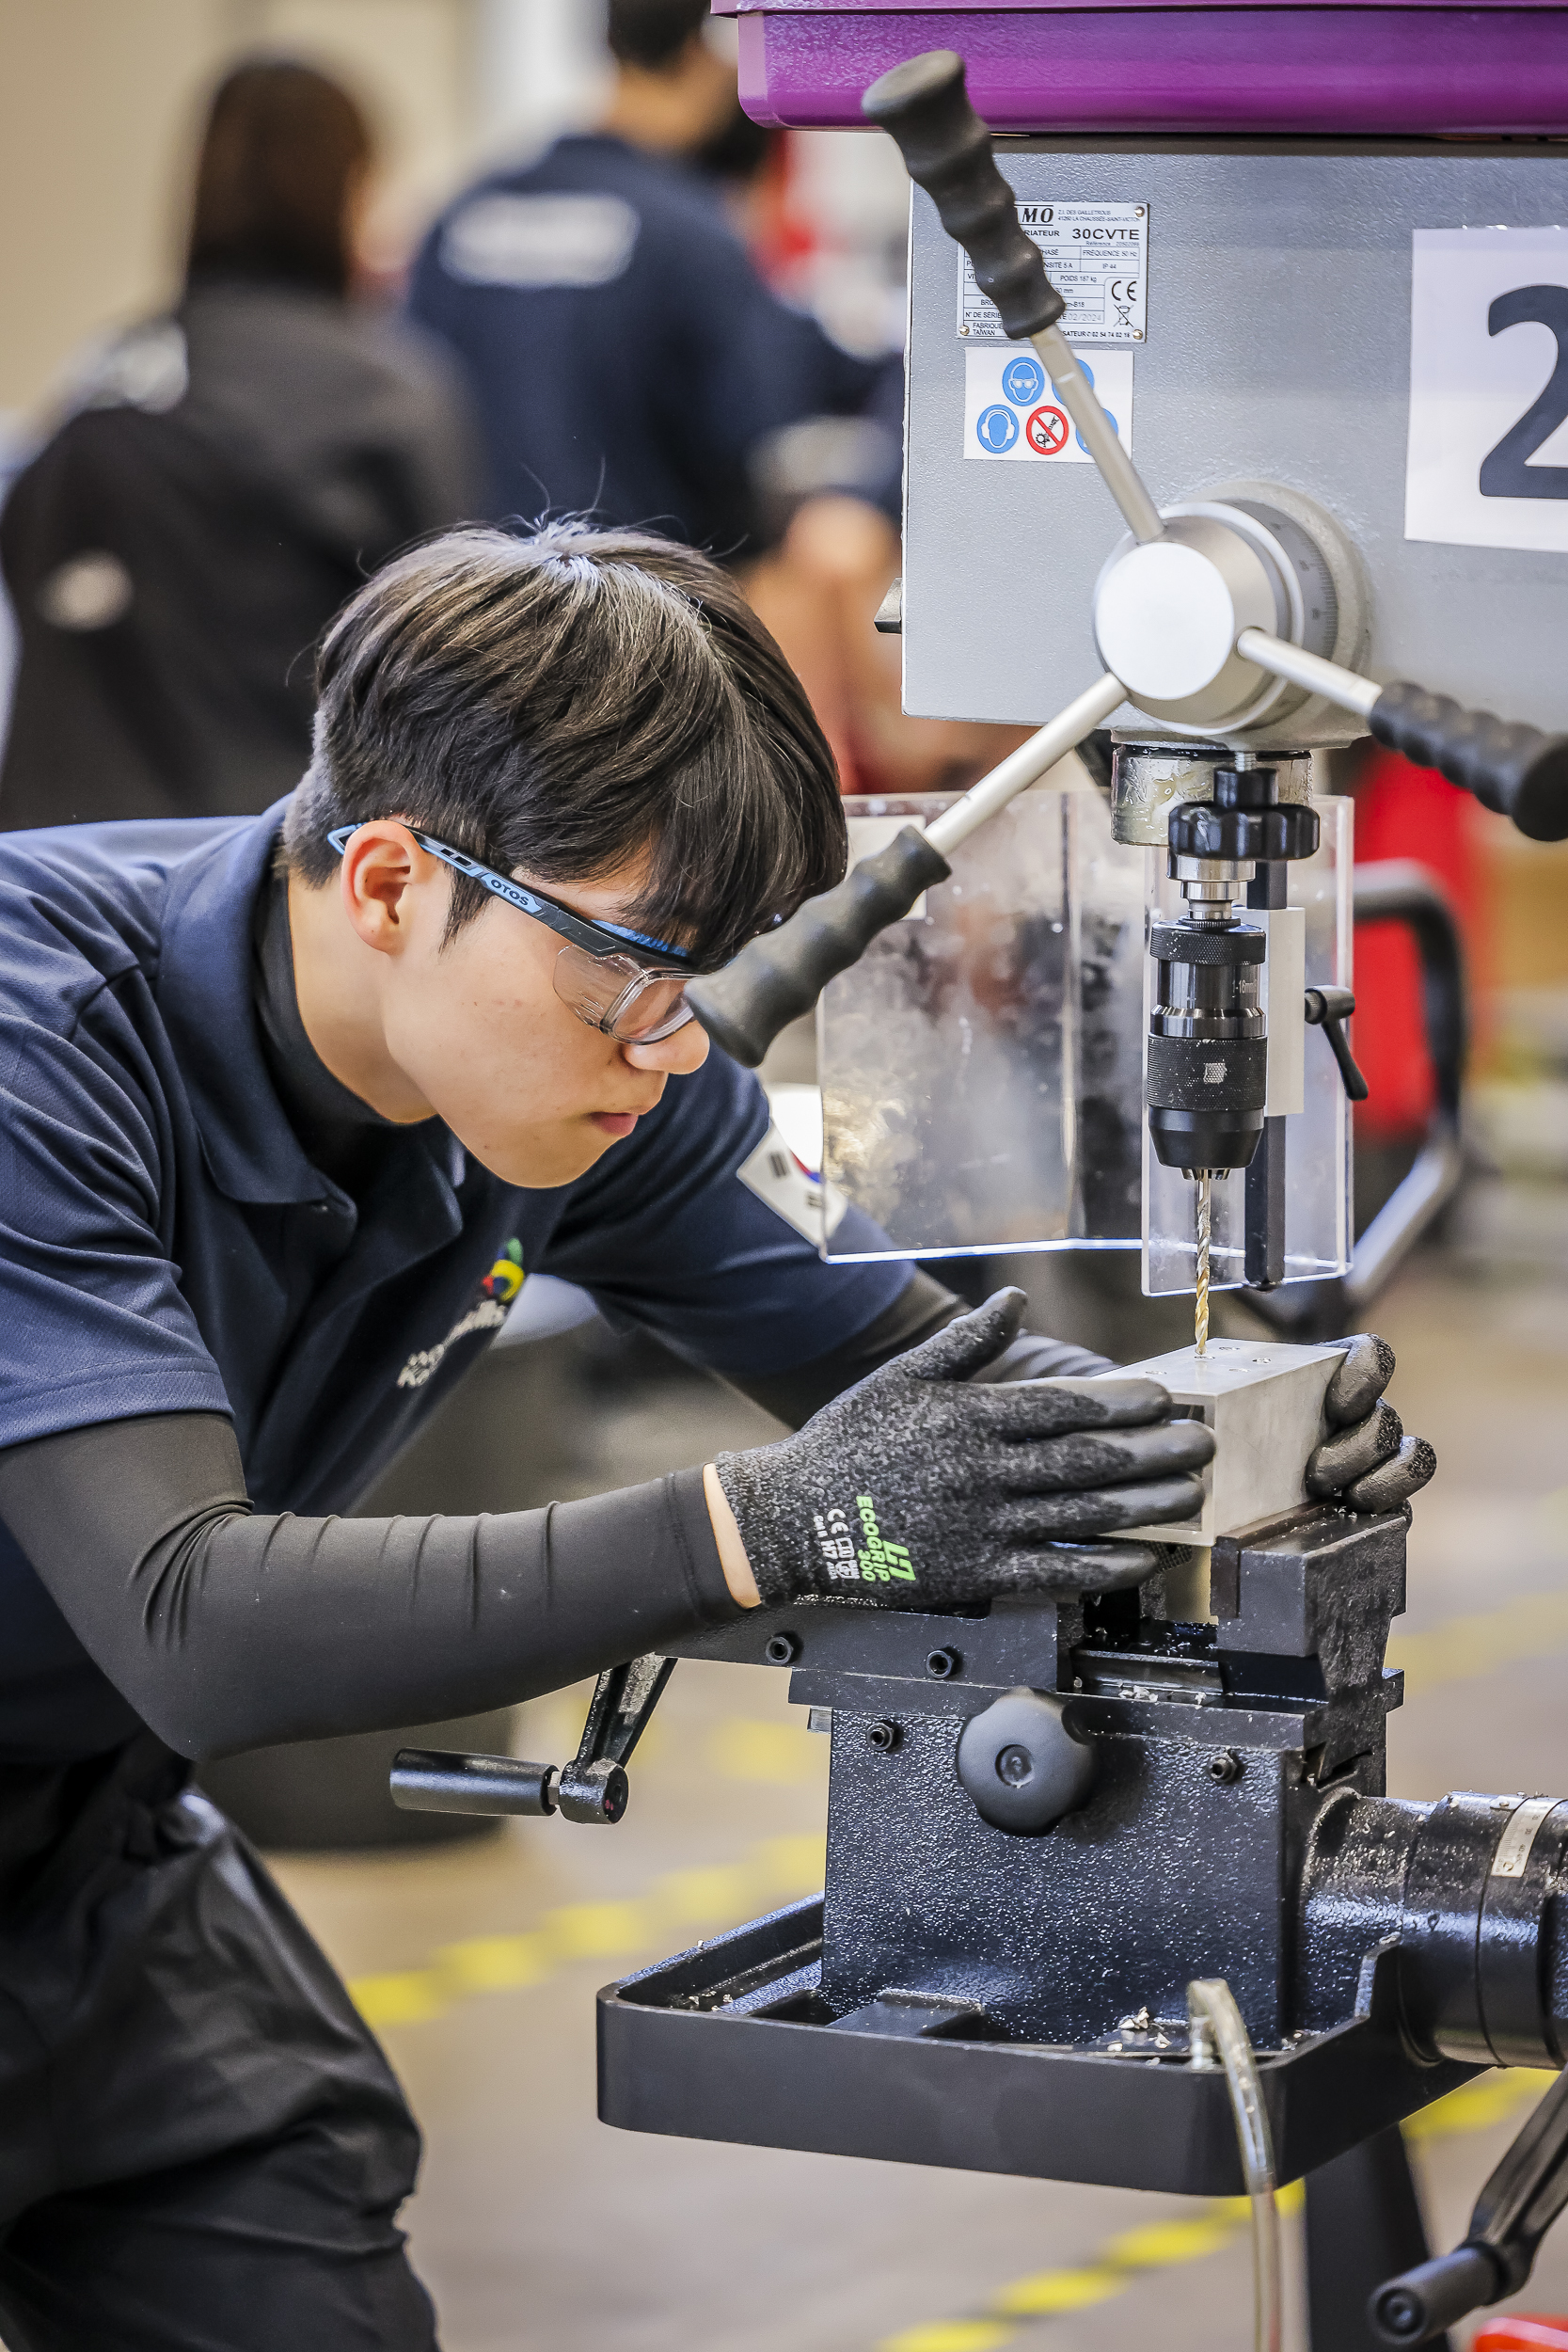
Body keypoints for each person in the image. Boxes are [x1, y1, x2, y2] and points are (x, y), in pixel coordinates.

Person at [0, 522, 1431, 2348]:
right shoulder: (38, 1045)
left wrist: (1231, 1452)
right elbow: (195, 1620)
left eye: (705, 984)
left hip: (84, 1858)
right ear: (383, 882)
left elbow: (935, 1387)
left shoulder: (602, 1071)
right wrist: (767, 1526)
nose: (675, 1052)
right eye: (626, 978)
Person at [0, 59, 479, 831]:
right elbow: (452, 670)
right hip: (252, 866)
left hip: (43, 869)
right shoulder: (381, 393)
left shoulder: (104, 371)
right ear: (349, 191)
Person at [406, 0, 888, 561]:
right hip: (642, 615)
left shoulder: (463, 214)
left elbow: (408, 395)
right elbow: (762, 410)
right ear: (700, 55)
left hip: (475, 604)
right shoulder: (691, 234)